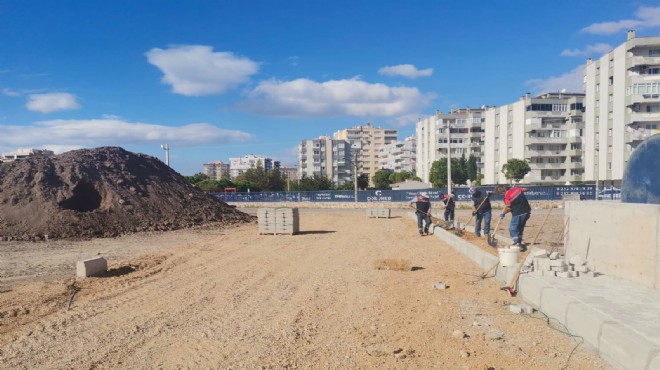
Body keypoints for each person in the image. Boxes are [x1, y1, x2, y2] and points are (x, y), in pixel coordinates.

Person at [495, 184, 532, 250]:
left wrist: (503, 213)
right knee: (520, 228)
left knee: (512, 228)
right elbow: (527, 189)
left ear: (502, 192)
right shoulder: (516, 189)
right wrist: (517, 188)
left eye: (500, 193)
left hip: (518, 214)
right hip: (527, 212)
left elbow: (508, 208)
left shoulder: (507, 197)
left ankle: (517, 243)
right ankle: (519, 242)